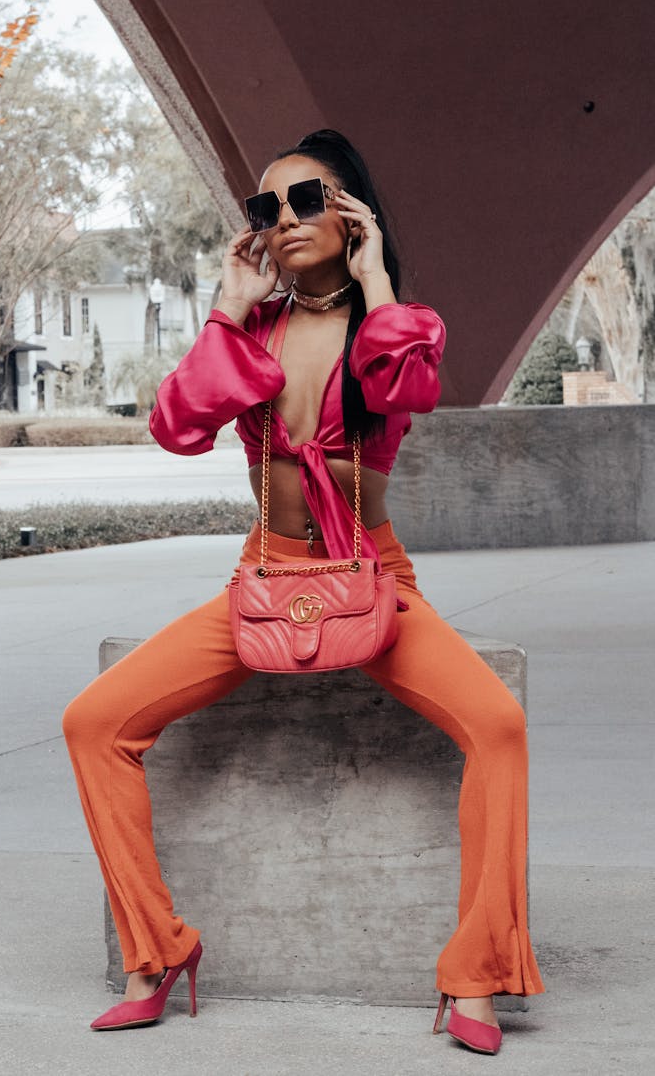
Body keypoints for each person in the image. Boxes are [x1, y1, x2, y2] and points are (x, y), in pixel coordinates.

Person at [62, 128, 544, 1051]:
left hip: (372, 575)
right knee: (95, 721)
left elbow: (411, 384)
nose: (284, 219)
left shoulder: (398, 325)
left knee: (500, 727)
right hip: (266, 576)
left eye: (308, 199)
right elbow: (177, 425)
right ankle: (155, 952)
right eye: (265, 208)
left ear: (352, 212)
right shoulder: (255, 331)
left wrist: (379, 287)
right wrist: (225, 312)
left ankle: (474, 977)